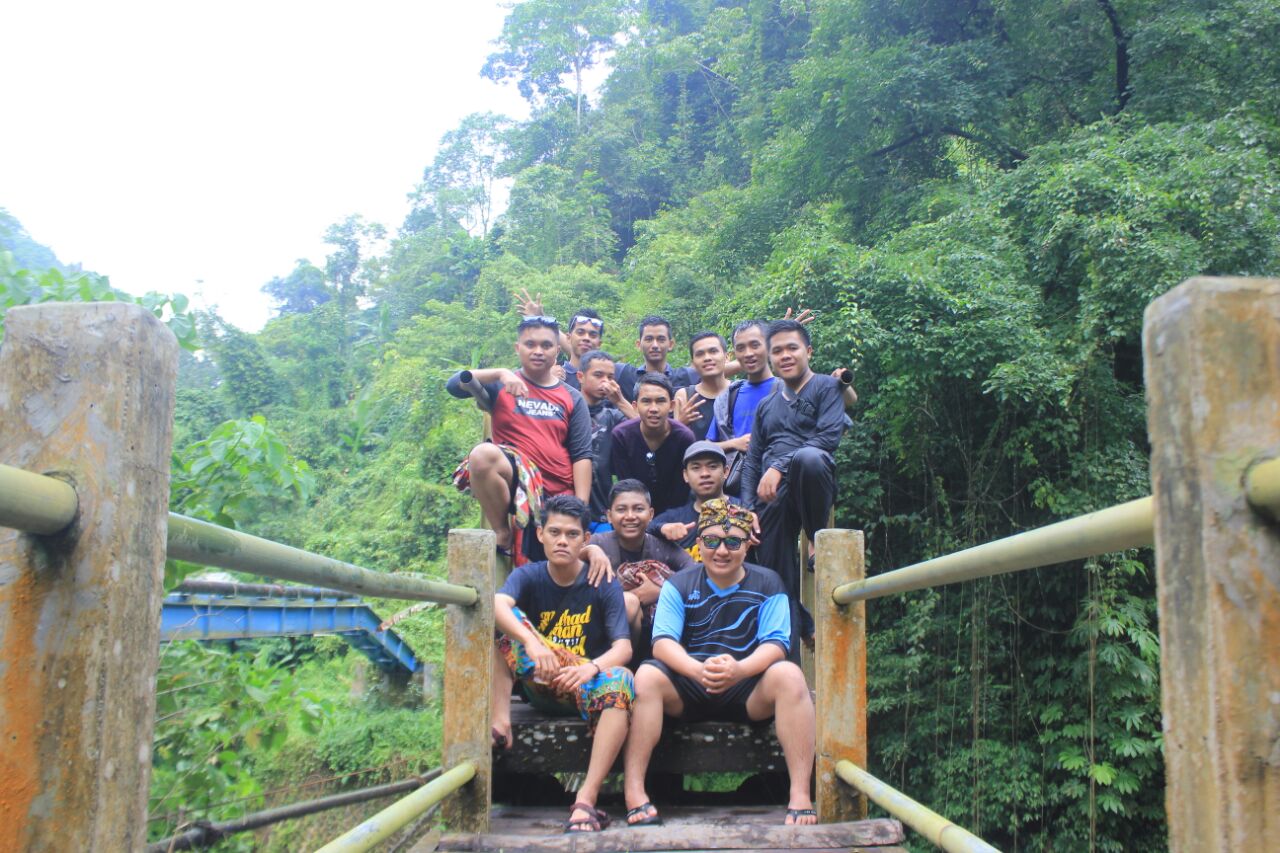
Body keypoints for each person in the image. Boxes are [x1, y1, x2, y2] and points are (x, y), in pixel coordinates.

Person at [622, 498, 816, 827]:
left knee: (790, 676)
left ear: (748, 544)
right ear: (699, 543)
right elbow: (663, 642)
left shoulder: (768, 582)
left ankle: (800, 794)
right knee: (646, 677)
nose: (721, 551)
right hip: (689, 685)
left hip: (747, 688)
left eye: (732, 542)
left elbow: (776, 644)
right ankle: (634, 791)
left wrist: (740, 670)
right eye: (712, 541)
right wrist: (696, 670)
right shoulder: (679, 584)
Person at [490, 495, 634, 834]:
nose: (562, 541)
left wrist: (591, 668)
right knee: (504, 625)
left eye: (572, 534)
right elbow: (497, 604)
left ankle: (586, 798)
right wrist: (531, 641)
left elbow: (624, 647)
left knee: (622, 679)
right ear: (541, 534)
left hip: (583, 686)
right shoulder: (528, 576)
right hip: (540, 679)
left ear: (586, 539)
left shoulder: (603, 582)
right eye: (554, 532)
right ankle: (500, 721)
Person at [446, 316, 592, 559]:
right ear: (518, 348)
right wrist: (500, 373)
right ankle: (501, 532)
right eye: (530, 344)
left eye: (546, 345)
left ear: (557, 350)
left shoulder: (572, 397)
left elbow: (582, 455)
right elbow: (453, 385)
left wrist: (581, 507)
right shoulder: (501, 385)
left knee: (554, 569)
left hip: (558, 493)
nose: (538, 351)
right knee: (482, 455)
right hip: (518, 482)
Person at [740, 318, 847, 641]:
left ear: (808, 351)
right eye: (777, 351)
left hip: (810, 481)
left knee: (808, 458)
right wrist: (748, 510)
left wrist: (779, 466)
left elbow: (828, 438)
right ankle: (798, 633)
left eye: (792, 348)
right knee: (773, 574)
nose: (785, 355)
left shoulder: (827, 387)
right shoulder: (766, 405)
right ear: (770, 357)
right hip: (771, 494)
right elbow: (752, 460)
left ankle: (815, 536)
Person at [591, 479, 695, 642]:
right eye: (621, 509)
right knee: (629, 603)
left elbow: (696, 577)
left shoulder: (662, 546)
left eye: (638, 509)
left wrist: (661, 592)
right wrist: (590, 550)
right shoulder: (597, 544)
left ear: (651, 514)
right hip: (601, 633)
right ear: (609, 516)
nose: (630, 516)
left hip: (656, 636)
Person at [610, 373, 696, 515]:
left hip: (676, 513)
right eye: (646, 401)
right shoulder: (621, 436)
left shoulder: (684, 437)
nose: (654, 408)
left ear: (671, 406)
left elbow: (681, 491)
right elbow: (626, 486)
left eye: (660, 401)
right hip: (634, 512)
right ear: (635, 406)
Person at [649, 440, 749, 559]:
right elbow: (640, 530)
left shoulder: (745, 513)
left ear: (725, 472)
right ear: (686, 475)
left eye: (712, 466)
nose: (705, 474)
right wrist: (660, 528)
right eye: (696, 468)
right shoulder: (673, 519)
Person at [577, 349, 636, 531]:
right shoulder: (567, 410)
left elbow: (647, 430)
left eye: (610, 377)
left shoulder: (612, 415)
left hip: (603, 511)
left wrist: (620, 401)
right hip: (568, 506)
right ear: (580, 377)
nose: (605, 381)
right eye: (598, 375)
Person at [615, 315, 698, 400]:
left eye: (661, 339)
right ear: (639, 345)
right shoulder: (624, 375)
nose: (655, 345)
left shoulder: (688, 377)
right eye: (649, 339)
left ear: (670, 344)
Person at [673, 332, 730, 442]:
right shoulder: (685, 396)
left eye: (713, 351)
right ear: (693, 363)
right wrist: (680, 423)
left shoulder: (739, 391)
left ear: (727, 357)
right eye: (700, 354)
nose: (707, 358)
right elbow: (677, 444)